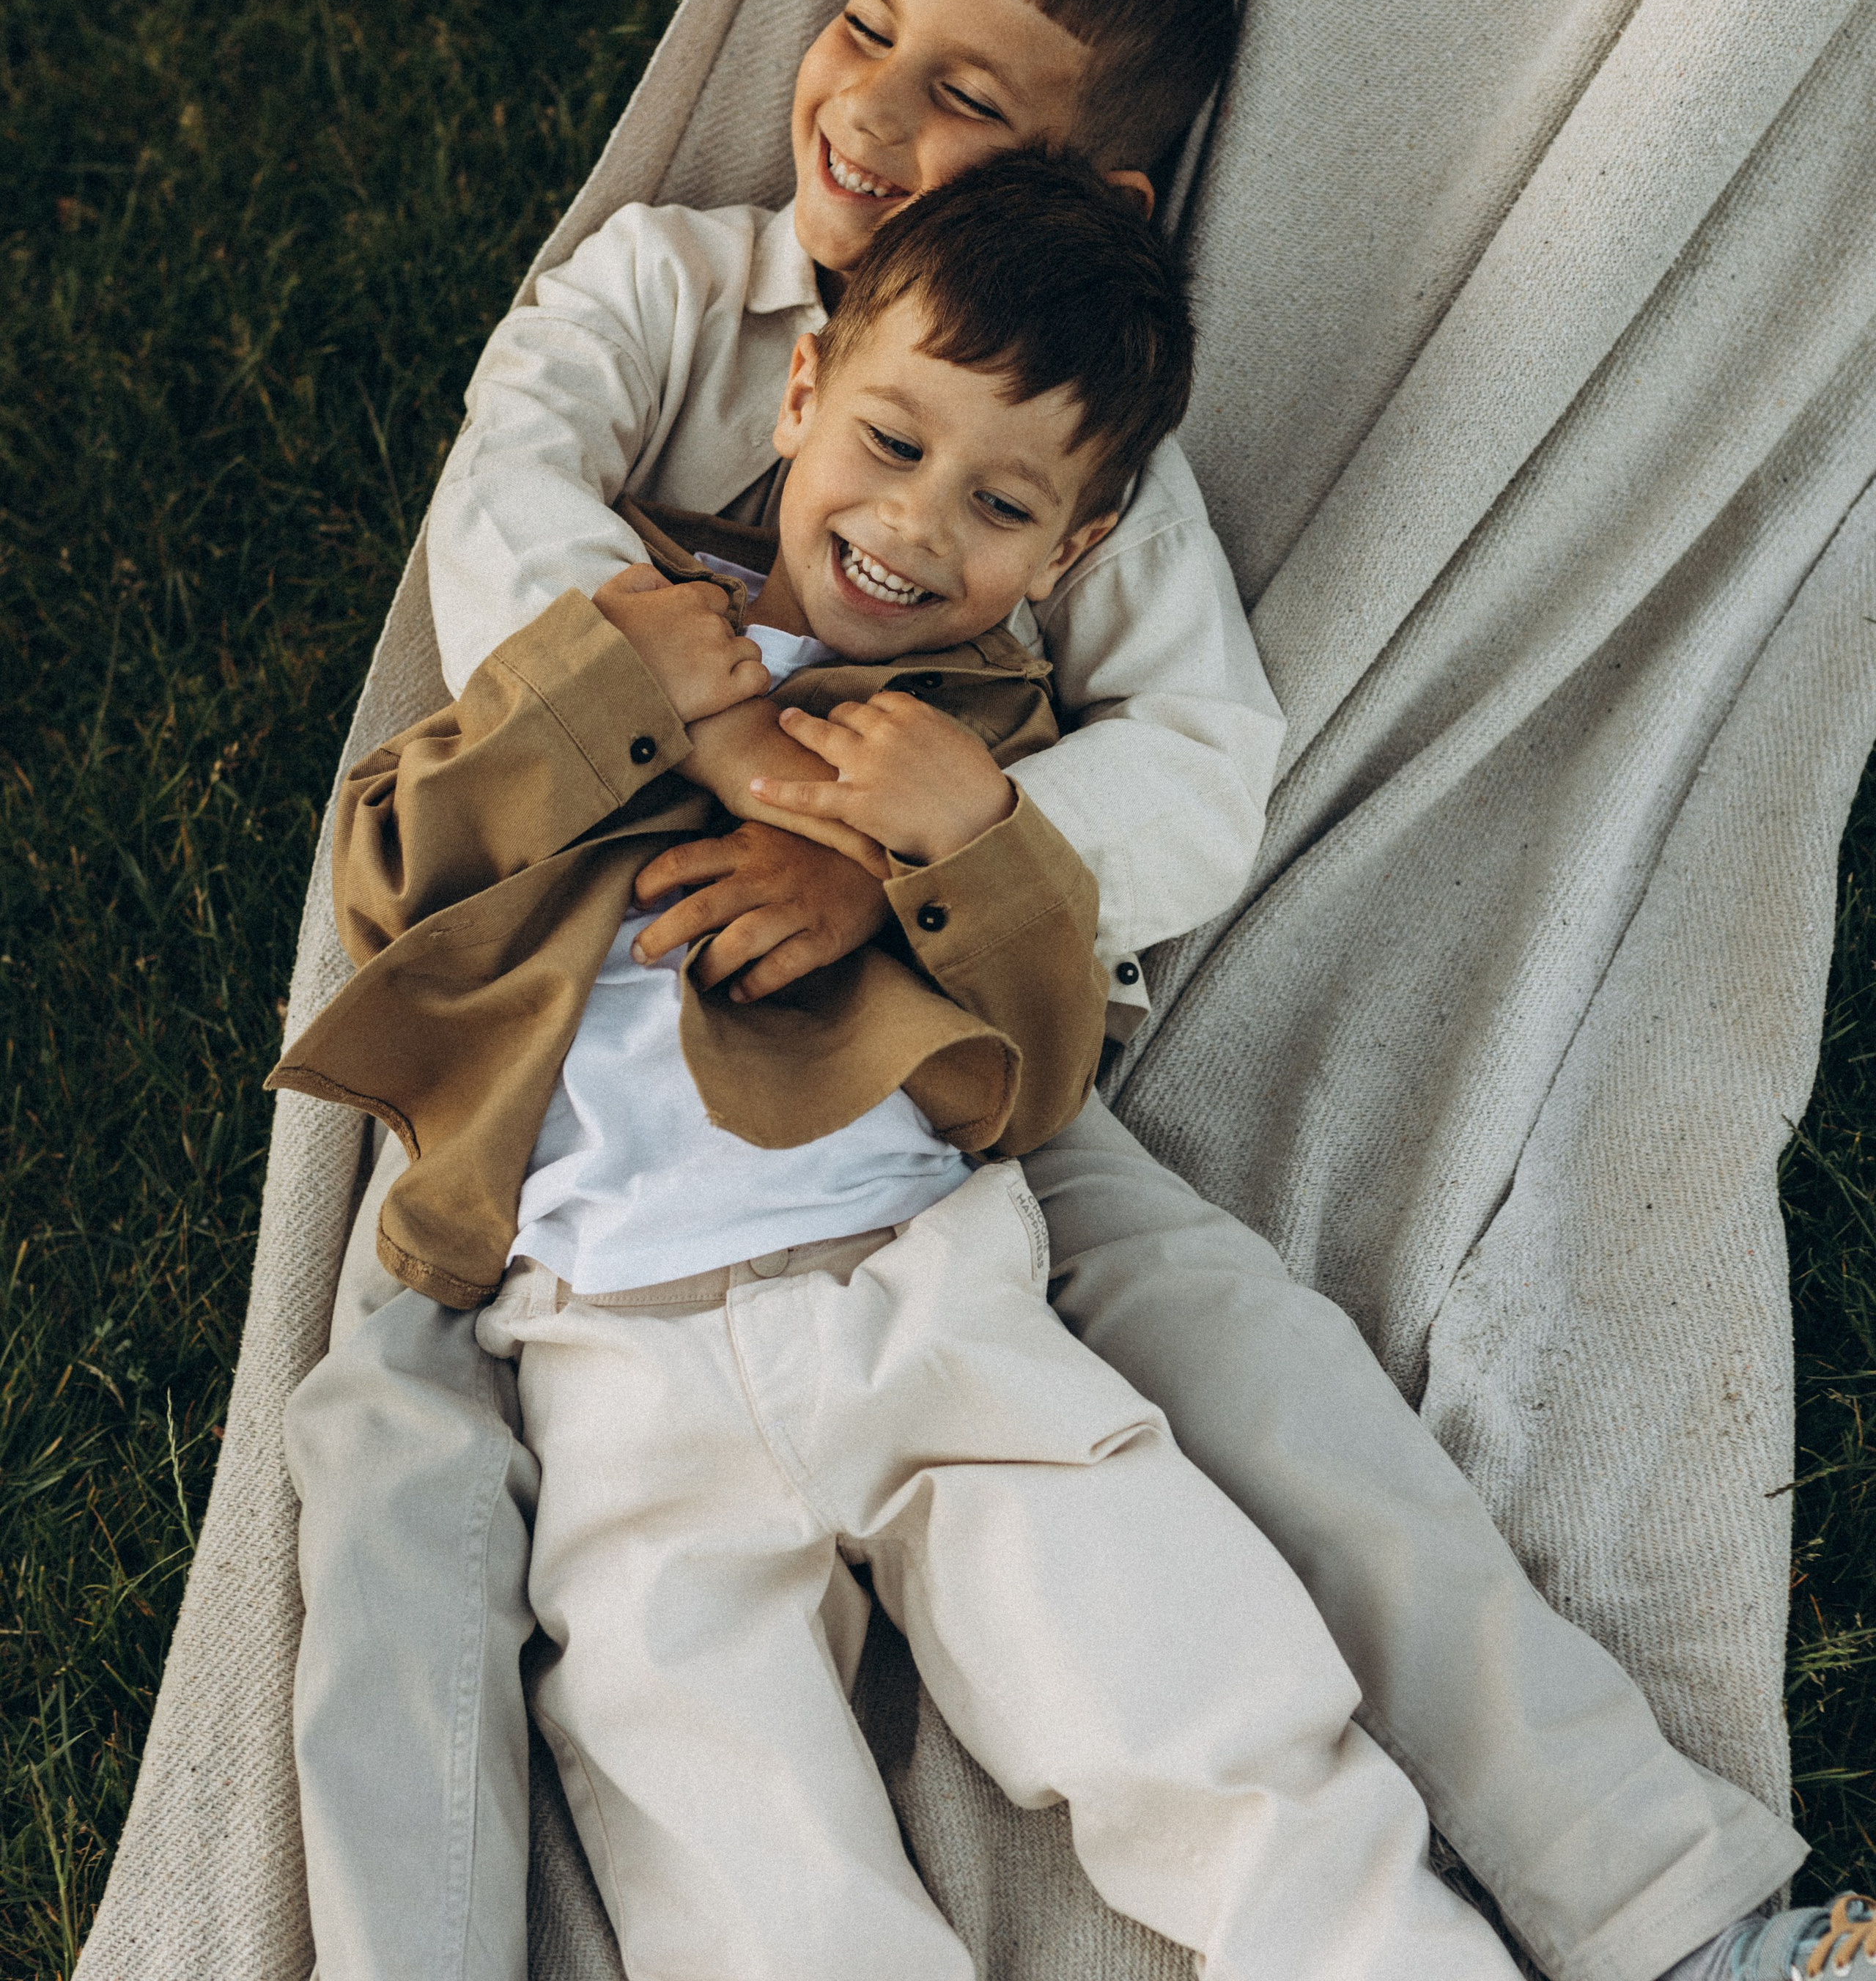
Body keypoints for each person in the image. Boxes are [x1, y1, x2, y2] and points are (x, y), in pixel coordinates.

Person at [281, 0, 1858, 1981]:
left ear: (1086, 198)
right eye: (865, 32)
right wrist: (721, 731)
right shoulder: (673, 293)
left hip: (931, 1141)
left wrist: (901, 855)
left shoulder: (1080, 454)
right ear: (814, 393)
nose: (867, 114)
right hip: (587, 1217)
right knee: (650, 1757)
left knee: (1247, 1505)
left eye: (960, 101)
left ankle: (1679, 1927)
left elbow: (1198, 766)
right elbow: (505, 528)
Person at [277, 155, 1530, 1981]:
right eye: (887, 441)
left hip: (921, 1299)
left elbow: (1036, 1069)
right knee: (728, 1842)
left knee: (1192, 1702)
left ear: (1068, 555)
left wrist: (966, 849)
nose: (915, 524)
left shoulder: (987, 739)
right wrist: (629, 698)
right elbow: (393, 865)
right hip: (609, 1347)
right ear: (800, 391)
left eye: (999, 503)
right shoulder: (625, 623)